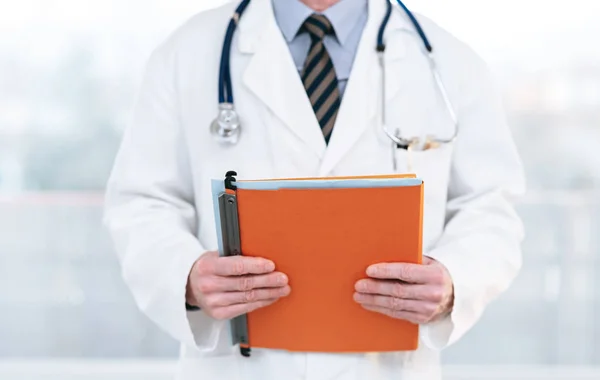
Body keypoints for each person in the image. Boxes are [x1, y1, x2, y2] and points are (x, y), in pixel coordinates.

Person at [103, 0, 526, 379]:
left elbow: (491, 208)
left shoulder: (449, 62)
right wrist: (188, 277)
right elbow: (142, 203)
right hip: (242, 366)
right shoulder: (187, 54)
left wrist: (454, 279)